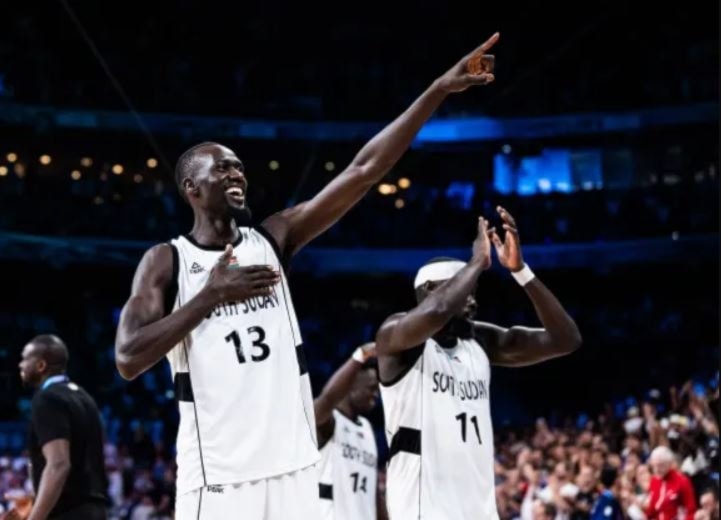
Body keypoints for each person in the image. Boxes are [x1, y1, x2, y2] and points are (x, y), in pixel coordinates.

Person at [114, 33, 500, 519]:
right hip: (220, 474)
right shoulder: (166, 261)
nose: (238, 174)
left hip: (295, 464)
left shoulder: (275, 237)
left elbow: (363, 171)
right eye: (223, 169)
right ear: (191, 187)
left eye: (239, 167)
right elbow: (127, 359)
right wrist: (209, 296)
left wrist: (438, 90)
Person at [375, 207, 582, 519]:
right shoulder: (395, 336)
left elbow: (566, 340)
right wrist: (476, 262)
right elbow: (438, 310)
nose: (473, 300)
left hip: (478, 508)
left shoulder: (480, 341)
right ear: (431, 290)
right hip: (422, 507)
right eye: (465, 291)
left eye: (474, 292)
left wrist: (521, 271)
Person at [8, 335, 108, 520]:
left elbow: (59, 465)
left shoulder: (47, 398)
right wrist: (36, 501)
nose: (20, 365)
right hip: (96, 511)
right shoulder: (84, 397)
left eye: (25, 359)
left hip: (68, 513)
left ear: (41, 366)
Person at [313, 343, 383, 519]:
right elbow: (327, 398)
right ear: (350, 385)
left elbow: (373, 493)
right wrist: (359, 357)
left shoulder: (367, 429)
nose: (376, 395)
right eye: (372, 388)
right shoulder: (329, 422)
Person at [646, 446, 697, 520]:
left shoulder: (682, 481)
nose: (657, 469)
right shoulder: (654, 481)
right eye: (654, 466)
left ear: (669, 464)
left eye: (660, 465)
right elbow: (652, 509)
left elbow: (690, 509)